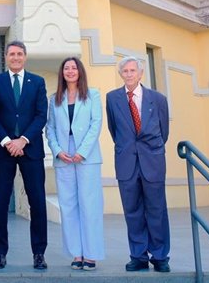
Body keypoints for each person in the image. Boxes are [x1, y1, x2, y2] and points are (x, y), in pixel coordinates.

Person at [0, 40, 48, 270]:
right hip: (2, 151)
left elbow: (41, 115)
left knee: (37, 202)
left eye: (19, 54)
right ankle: (0, 252)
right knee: (0, 203)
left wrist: (23, 140)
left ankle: (39, 253)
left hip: (30, 149)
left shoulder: (38, 82)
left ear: (25, 57)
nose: (15, 57)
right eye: (11, 54)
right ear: (6, 56)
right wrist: (7, 141)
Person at [106, 56, 170, 273]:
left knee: (157, 209)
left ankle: (160, 256)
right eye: (125, 71)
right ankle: (138, 256)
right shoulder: (112, 98)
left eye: (133, 70)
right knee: (132, 211)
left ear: (141, 73)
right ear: (121, 74)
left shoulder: (158, 99)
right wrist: (129, 150)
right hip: (126, 163)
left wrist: (150, 151)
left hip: (152, 161)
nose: (129, 74)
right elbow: (115, 131)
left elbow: (164, 132)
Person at [45, 57, 105, 271]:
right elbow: (49, 128)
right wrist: (58, 151)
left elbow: (96, 123)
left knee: (90, 205)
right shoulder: (55, 99)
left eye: (73, 68)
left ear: (80, 71)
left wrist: (82, 151)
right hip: (63, 155)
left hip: (86, 155)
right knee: (68, 206)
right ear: (62, 73)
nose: (70, 71)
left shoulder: (93, 94)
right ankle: (76, 254)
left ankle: (91, 254)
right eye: (66, 68)